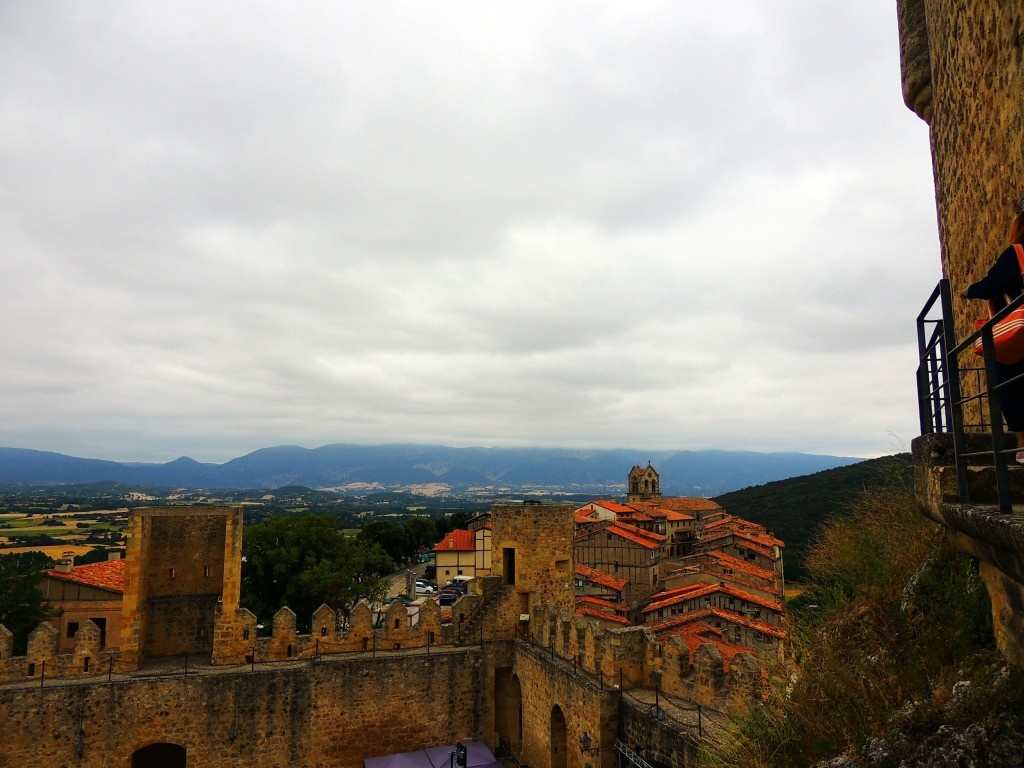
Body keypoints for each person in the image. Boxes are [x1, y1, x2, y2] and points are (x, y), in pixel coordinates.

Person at [964, 211, 1024, 462]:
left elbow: (992, 285)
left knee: (1010, 384)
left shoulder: (1018, 253)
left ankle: (1022, 445)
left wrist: (969, 290)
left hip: (1019, 335)